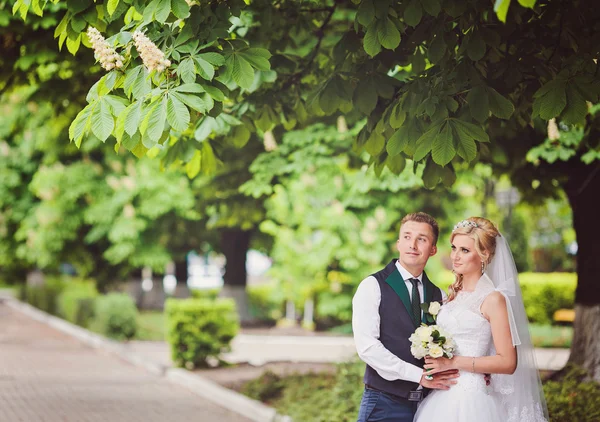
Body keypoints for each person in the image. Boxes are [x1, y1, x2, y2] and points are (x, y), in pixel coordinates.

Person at [414, 217, 549, 422]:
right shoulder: (451, 295)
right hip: (442, 397)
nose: (455, 256)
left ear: (484, 255)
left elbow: (507, 362)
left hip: (472, 399)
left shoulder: (493, 299)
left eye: (465, 250)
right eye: (454, 248)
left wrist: (452, 362)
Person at [352, 212, 458, 422]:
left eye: (422, 239)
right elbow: (367, 347)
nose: (413, 245)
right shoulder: (372, 286)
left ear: (433, 249)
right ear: (398, 243)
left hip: (431, 406)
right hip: (384, 404)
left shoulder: (440, 296)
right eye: (407, 237)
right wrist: (417, 375)